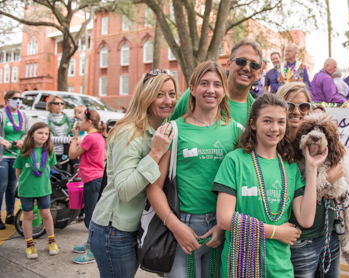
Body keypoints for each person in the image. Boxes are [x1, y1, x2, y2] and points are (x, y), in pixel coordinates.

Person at [213, 93, 328, 277]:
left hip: (279, 270)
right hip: (240, 268)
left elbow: (306, 220)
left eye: (281, 122)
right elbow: (224, 219)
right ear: (253, 124)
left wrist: (312, 167)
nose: (275, 128)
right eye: (267, 121)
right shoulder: (234, 161)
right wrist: (275, 232)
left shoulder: (290, 168)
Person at [147, 61, 242, 277]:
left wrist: (223, 225)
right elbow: (154, 189)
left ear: (224, 90)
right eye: (204, 83)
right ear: (192, 89)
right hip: (183, 228)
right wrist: (175, 226)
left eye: (217, 84)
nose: (211, 90)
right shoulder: (173, 130)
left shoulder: (236, 131)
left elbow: (242, 185)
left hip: (222, 230)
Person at [89, 69, 178, 278]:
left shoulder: (163, 129)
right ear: (146, 97)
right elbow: (125, 191)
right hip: (115, 231)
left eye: (172, 94)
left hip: (136, 228)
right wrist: (155, 153)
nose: (168, 101)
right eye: (159, 94)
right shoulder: (129, 132)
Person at [278, 82, 344, 278]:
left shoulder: (319, 140)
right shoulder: (277, 147)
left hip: (328, 234)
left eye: (303, 106)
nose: (297, 111)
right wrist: (327, 181)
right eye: (290, 106)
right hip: (300, 239)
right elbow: (283, 198)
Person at [170, 38, 262, 126]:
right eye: (241, 61)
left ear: (259, 73)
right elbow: (167, 125)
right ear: (229, 65)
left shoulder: (257, 111)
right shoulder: (198, 95)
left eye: (254, 65)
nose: (246, 68)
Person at [14, 122, 58, 259]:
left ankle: (51, 241)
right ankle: (30, 245)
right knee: (27, 215)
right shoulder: (23, 152)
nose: (43, 136)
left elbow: (49, 169)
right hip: (27, 190)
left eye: (46, 134)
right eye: (40, 133)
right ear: (32, 134)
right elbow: (18, 172)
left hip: (43, 189)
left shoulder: (50, 151)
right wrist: (22, 185)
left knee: (46, 214)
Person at [68, 109, 107, 264]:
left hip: (92, 180)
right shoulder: (99, 136)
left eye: (81, 120)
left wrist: (74, 138)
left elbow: (72, 155)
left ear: (89, 122)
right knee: (93, 214)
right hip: (97, 178)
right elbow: (102, 156)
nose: (79, 123)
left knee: (91, 217)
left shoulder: (89, 138)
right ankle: (90, 243)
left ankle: (92, 250)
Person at [0, 90, 29, 229]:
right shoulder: (2, 114)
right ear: (7, 100)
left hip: (16, 155)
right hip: (3, 155)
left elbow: (26, 133)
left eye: (20, 98)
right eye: (15, 98)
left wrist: (21, 141)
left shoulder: (23, 115)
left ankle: (10, 215)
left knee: (12, 188)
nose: (18, 100)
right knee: (2, 186)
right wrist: (3, 141)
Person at [46, 95, 73, 169]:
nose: (60, 105)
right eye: (57, 103)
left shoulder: (69, 120)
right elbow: (49, 139)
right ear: (50, 105)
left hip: (67, 152)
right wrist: (68, 139)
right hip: (54, 153)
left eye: (62, 103)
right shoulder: (47, 121)